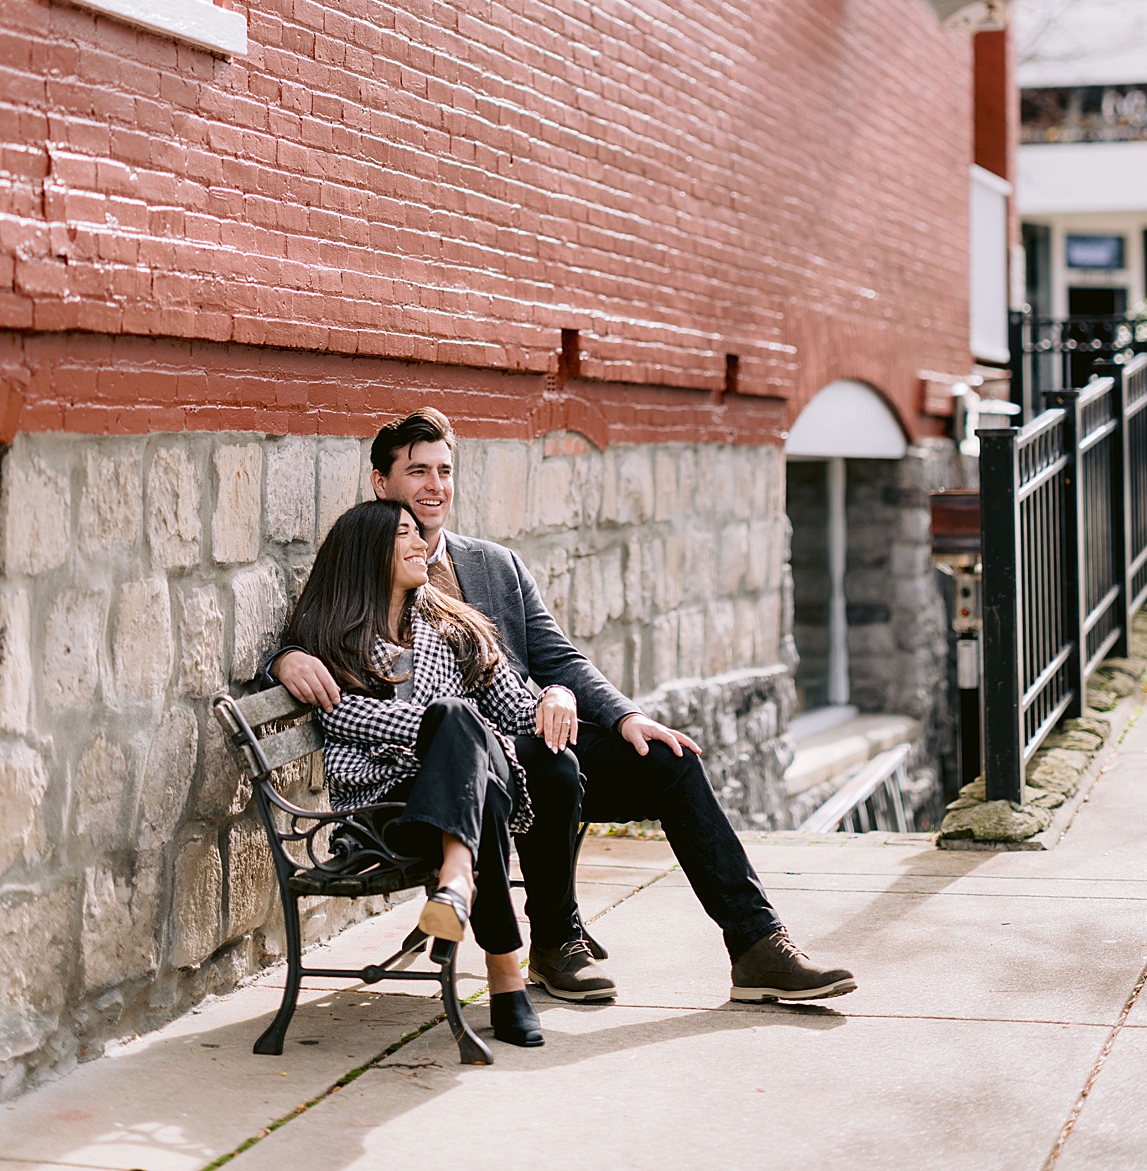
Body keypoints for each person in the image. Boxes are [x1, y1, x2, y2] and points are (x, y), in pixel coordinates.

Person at [270, 408, 856, 1007]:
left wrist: (615, 713)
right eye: (418, 471)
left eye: (444, 471)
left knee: (669, 761)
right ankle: (556, 943)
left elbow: (558, 657)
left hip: (532, 732)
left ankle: (758, 945)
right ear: (381, 483)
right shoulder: (361, 558)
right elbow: (325, 630)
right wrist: (285, 658)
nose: (434, 486)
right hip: (458, 774)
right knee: (553, 768)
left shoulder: (495, 565)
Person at [283, 495, 546, 1048]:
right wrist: (461, 732)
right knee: (466, 749)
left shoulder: (455, 629)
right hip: (386, 816)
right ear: (367, 552)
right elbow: (350, 718)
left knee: (461, 731)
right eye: (405, 533)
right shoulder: (332, 643)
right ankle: (503, 972)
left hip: (451, 795)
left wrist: (559, 695)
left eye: (419, 533)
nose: (422, 543)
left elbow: (520, 710)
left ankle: (456, 884)